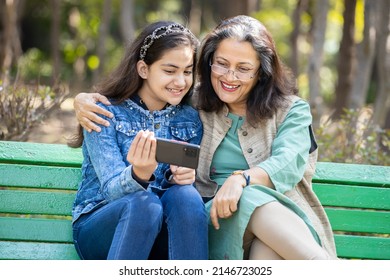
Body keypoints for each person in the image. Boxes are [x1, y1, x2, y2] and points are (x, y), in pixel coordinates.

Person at [73, 15, 337, 260]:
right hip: (213, 220)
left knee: (264, 245)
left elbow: (288, 162)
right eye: (221, 64)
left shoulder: (288, 110)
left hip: (279, 224)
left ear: (261, 72)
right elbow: (149, 94)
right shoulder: (199, 104)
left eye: (243, 68)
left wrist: (240, 180)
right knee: (183, 199)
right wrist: (81, 100)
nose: (230, 76)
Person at [68, 21, 208, 260]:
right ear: (143, 69)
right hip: (102, 226)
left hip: (160, 232)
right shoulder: (104, 112)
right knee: (143, 204)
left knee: (186, 196)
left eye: (187, 71)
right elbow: (111, 191)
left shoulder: (190, 117)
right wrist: (139, 175)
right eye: (169, 70)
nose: (181, 82)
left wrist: (183, 179)